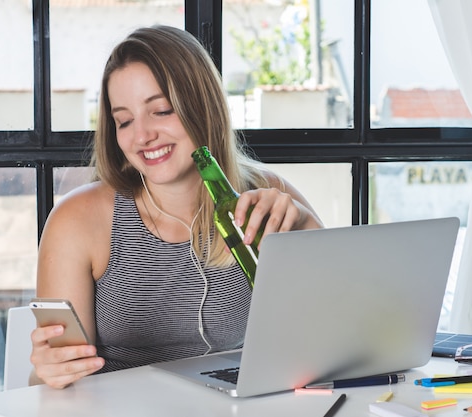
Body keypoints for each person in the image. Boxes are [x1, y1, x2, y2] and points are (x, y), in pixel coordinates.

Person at [30, 25, 323, 389]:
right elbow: (49, 388)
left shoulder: (268, 195)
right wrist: (48, 371)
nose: (142, 136)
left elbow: (333, 330)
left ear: (203, 107)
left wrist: (306, 225)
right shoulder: (77, 221)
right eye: (124, 120)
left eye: (162, 110)